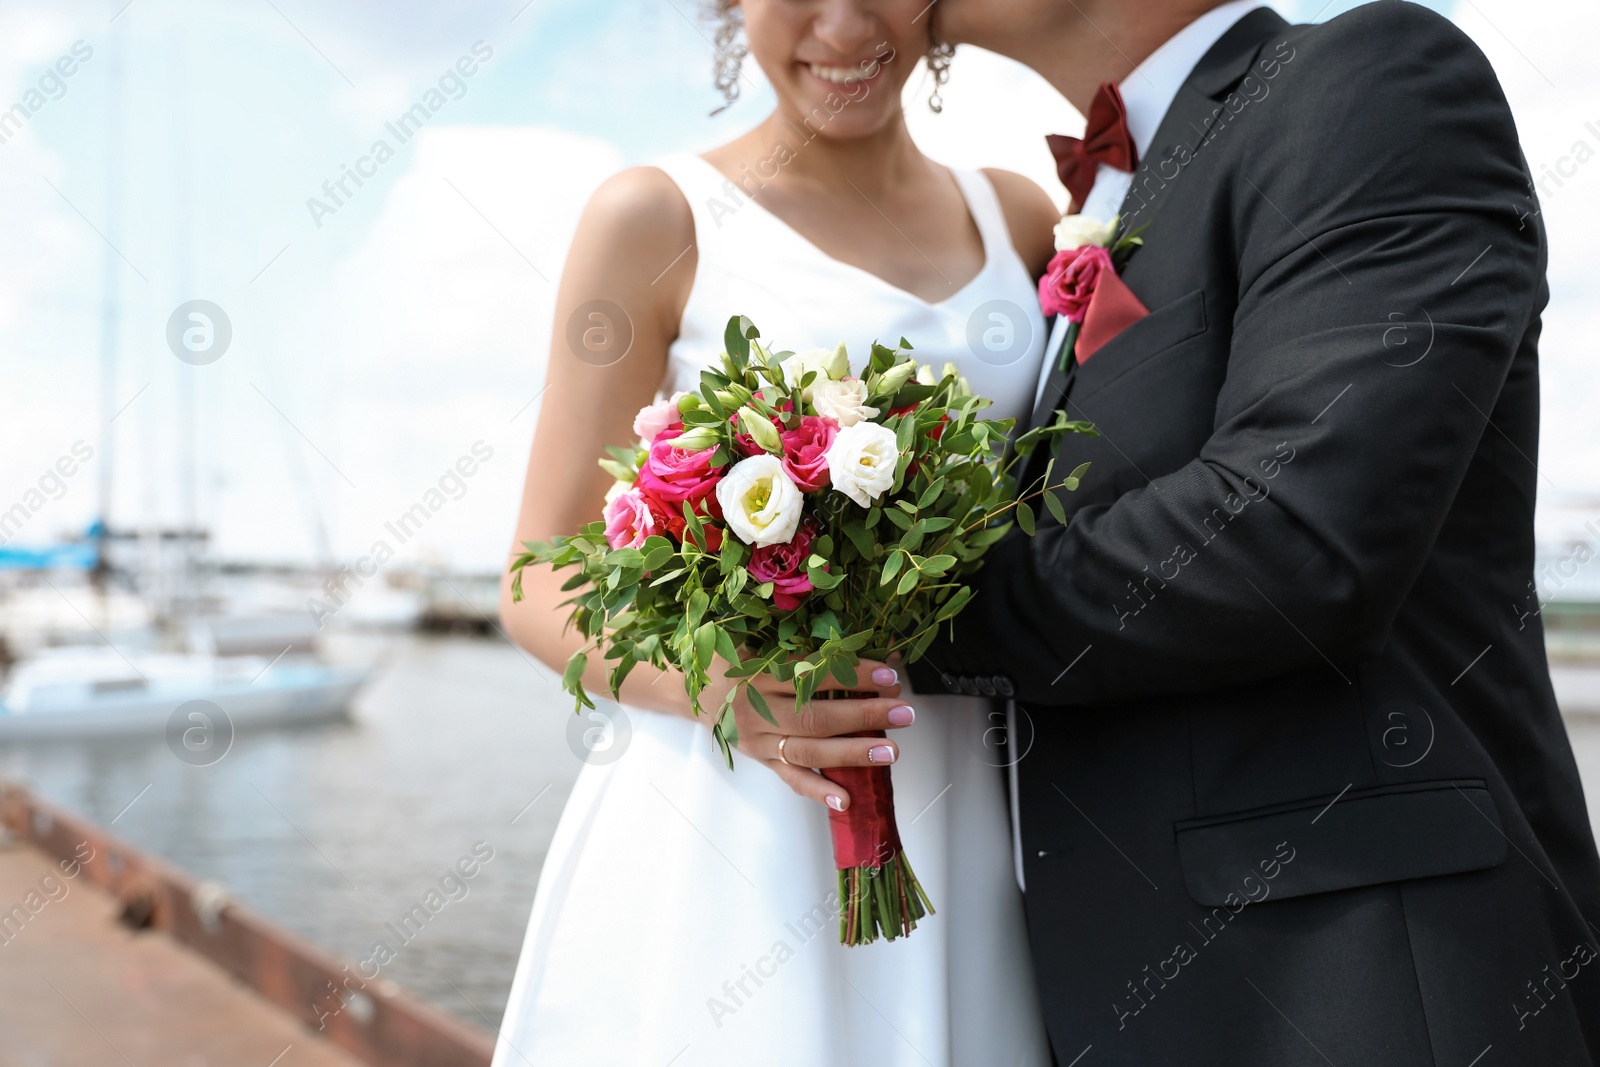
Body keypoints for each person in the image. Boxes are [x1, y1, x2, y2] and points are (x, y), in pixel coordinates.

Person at [891, 0, 1600, 1063]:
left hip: (1362, 986)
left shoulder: (1371, 80)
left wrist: (881, 614)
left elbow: (1290, 535)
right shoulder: (1107, 189)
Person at [494, 2, 1060, 1063]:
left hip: (966, 795)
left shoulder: (1021, 216)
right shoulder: (653, 218)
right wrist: (722, 693)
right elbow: (534, 575)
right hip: (732, 813)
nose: (841, 24)